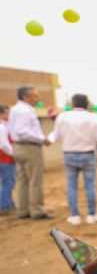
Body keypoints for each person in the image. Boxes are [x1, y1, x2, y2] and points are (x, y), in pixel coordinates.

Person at [47, 94, 97, 225]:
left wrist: (48, 140)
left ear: (73, 103)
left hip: (69, 154)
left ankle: (75, 215)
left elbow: (56, 135)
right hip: (88, 155)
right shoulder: (93, 118)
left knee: (71, 185)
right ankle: (91, 215)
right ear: (87, 104)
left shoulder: (63, 116)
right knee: (90, 185)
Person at [8, 86, 55, 219]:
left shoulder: (16, 109)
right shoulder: (25, 110)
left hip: (18, 147)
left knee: (23, 180)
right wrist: (42, 139)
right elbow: (22, 131)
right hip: (30, 148)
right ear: (26, 97)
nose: (39, 98)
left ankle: (23, 210)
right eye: (36, 96)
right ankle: (37, 210)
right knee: (35, 180)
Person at [0, 105, 16, 215]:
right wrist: (15, 154)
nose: (8, 115)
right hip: (5, 159)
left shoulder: (4, 125)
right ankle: (5, 206)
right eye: (7, 113)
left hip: (4, 159)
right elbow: (4, 145)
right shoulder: (2, 126)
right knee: (8, 183)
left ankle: (9, 204)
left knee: (7, 183)